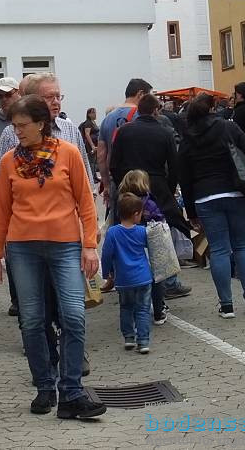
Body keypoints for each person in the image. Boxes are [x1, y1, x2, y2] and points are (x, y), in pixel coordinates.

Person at [0, 95, 104, 420]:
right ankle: (44, 387)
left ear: (41, 124)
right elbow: (1, 211)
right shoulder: (10, 160)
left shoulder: (68, 154)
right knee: (33, 320)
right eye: (14, 126)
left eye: (22, 126)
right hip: (22, 248)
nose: (17, 131)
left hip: (65, 244)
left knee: (73, 316)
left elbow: (85, 202)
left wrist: (89, 245)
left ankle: (71, 393)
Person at [0, 73, 92, 319]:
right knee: (34, 314)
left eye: (59, 96)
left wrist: (88, 240)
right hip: (24, 241)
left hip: (64, 237)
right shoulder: (10, 136)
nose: (56, 102)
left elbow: (85, 187)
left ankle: (70, 353)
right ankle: (42, 350)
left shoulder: (69, 130)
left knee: (70, 310)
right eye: (49, 97)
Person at [177, 93, 245, 319]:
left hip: (206, 197)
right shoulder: (229, 128)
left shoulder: (188, 137)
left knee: (219, 250)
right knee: (243, 246)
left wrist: (191, 211)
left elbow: (184, 177)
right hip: (237, 193)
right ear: (213, 108)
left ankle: (226, 305)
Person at [108, 93, 191, 299]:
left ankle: (129, 280)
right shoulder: (164, 133)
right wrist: (169, 189)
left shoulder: (123, 132)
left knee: (128, 235)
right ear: (155, 111)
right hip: (157, 188)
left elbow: (113, 163)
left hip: (129, 188)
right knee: (161, 238)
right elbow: (174, 165)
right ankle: (169, 282)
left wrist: (123, 184)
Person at [101, 193, 153, 354]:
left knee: (126, 308)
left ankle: (129, 338)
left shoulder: (113, 232)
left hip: (123, 279)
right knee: (143, 309)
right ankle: (143, 341)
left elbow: (106, 254)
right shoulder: (142, 231)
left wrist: (106, 272)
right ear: (136, 214)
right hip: (143, 277)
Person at [96, 79, 153, 223]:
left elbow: (101, 155)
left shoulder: (107, 119)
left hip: (117, 181)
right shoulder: (142, 117)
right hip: (142, 181)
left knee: (120, 223)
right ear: (140, 94)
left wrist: (107, 183)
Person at [117, 170, 168, 324]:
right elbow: (159, 217)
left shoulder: (122, 202)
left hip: (129, 246)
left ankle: (133, 311)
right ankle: (159, 310)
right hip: (151, 240)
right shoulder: (149, 201)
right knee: (157, 276)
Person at [80, 108, 100, 178]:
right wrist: (92, 146)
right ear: (89, 114)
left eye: (95, 112)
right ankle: (91, 177)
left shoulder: (93, 122)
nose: (95, 114)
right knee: (91, 161)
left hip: (96, 143)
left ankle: (95, 176)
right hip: (91, 145)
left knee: (94, 161)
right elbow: (87, 134)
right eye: (93, 113)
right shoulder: (88, 123)